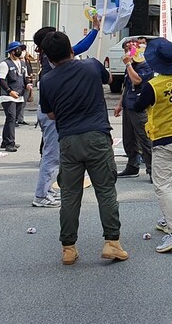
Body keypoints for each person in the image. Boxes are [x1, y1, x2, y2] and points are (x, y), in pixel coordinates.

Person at [38, 31, 127, 265]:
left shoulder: (47, 80)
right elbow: (108, 80)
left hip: (68, 139)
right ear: (71, 50)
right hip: (97, 135)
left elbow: (50, 113)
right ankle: (112, 243)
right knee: (105, 190)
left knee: (69, 195)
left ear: (49, 57)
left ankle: (68, 247)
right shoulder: (91, 66)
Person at [130, 38, 172, 253]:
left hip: (166, 139)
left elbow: (139, 106)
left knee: (162, 185)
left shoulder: (153, 85)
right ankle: (169, 220)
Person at [30, 19, 100, 208]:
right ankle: (41, 195)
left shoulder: (47, 57)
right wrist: (95, 29)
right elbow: (81, 46)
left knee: (55, 154)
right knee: (52, 155)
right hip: (52, 111)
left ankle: (48, 190)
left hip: (50, 110)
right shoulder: (53, 55)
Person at [114, 38, 154, 178]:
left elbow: (137, 80)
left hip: (139, 106)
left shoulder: (145, 65)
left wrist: (129, 64)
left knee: (144, 138)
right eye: (125, 50)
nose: (127, 53)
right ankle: (132, 165)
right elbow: (126, 86)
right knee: (128, 138)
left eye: (129, 50)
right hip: (128, 105)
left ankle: (152, 169)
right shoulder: (130, 66)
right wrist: (120, 104)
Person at [0, 41, 27, 152]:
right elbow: (1, 80)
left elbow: (25, 77)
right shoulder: (5, 64)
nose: (20, 51)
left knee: (12, 119)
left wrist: (28, 85)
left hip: (19, 95)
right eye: (18, 49)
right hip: (8, 95)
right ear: (12, 51)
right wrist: (10, 91)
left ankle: (5, 141)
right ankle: (10, 143)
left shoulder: (22, 63)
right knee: (11, 117)